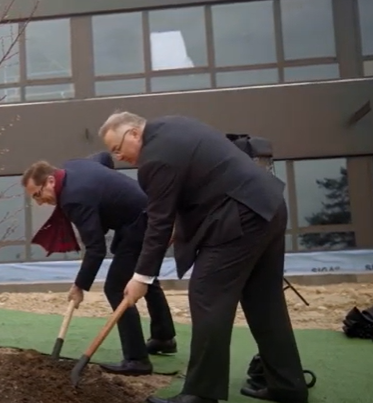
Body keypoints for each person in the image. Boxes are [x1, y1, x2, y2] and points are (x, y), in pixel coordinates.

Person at [99, 112, 309, 403]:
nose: (119, 157)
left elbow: (158, 223)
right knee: (265, 301)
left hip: (238, 218)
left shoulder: (155, 159)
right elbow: (195, 184)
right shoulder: (174, 126)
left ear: (134, 133)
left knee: (207, 297)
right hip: (267, 206)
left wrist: (142, 278)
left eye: (117, 148)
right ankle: (288, 386)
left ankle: (199, 395)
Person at [21, 153, 176, 375]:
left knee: (115, 287)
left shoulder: (73, 199)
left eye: (38, 194)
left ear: (51, 181)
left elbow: (96, 249)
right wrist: (108, 190)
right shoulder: (75, 165)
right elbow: (104, 159)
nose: (39, 202)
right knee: (144, 276)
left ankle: (137, 360)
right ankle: (163, 338)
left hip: (142, 225)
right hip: (148, 213)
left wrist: (79, 286)